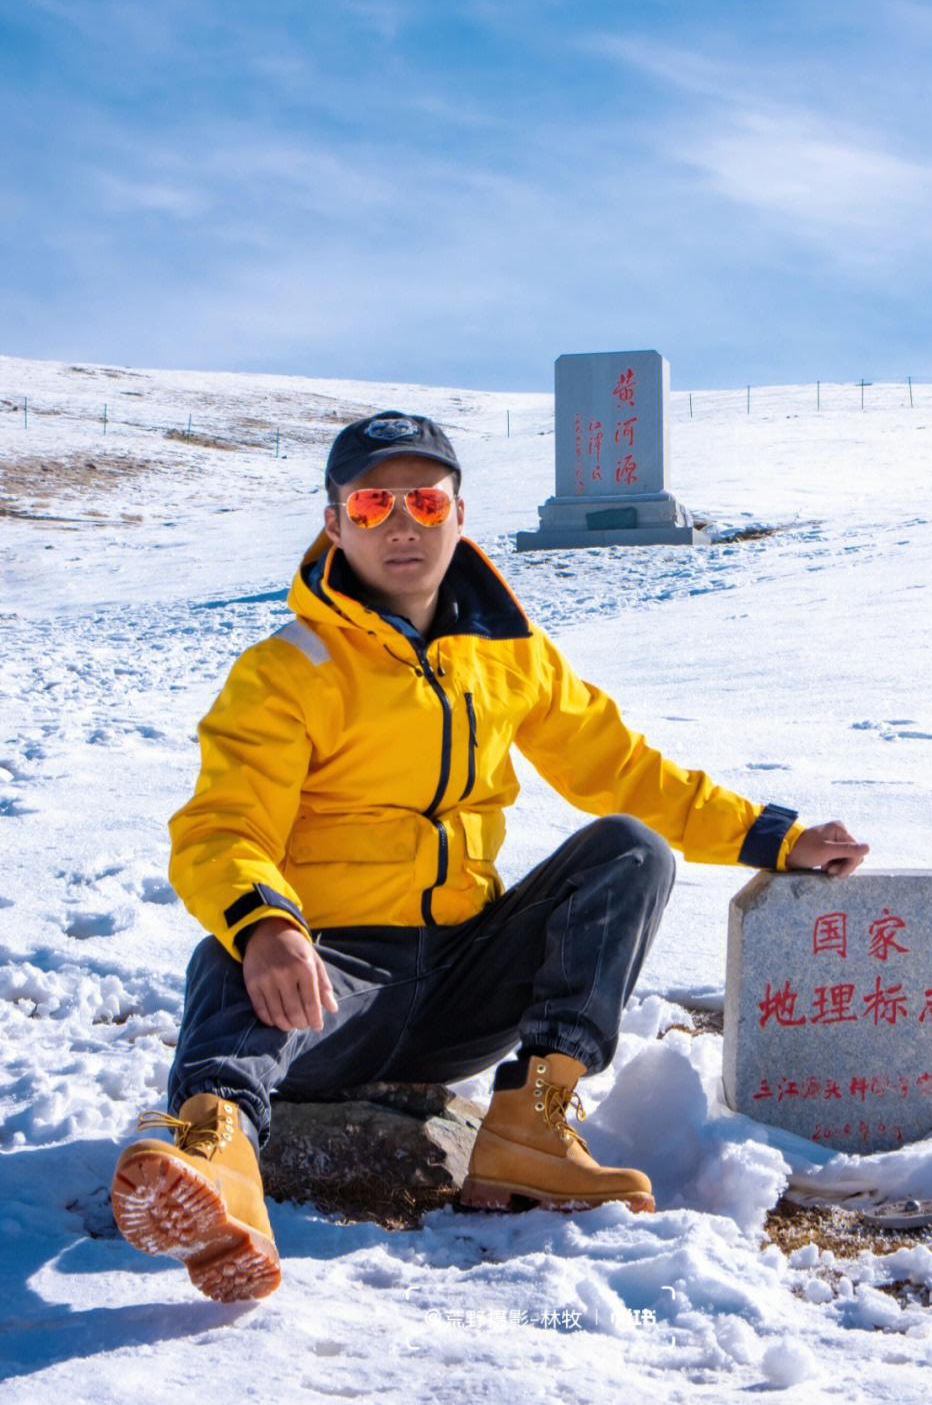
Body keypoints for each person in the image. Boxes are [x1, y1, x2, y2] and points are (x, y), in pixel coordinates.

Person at [110, 411, 868, 1303]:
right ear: (334, 522)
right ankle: (216, 1151)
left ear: (457, 515)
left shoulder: (510, 656)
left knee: (629, 849)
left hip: (466, 984)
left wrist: (772, 836)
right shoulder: (287, 670)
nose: (403, 522)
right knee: (236, 950)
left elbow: (622, 770)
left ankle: (533, 1126)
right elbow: (222, 825)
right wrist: (269, 921)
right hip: (334, 984)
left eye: (425, 499)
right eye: (374, 501)